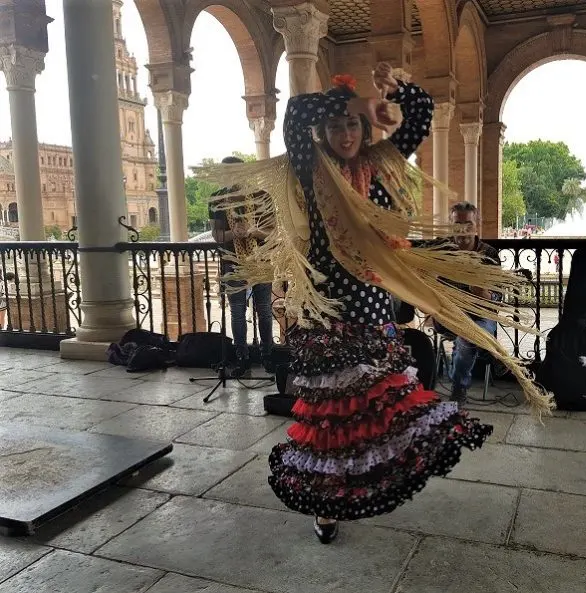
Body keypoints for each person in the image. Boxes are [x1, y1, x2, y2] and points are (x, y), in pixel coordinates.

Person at [200, 63, 551, 545]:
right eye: (336, 125)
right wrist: (352, 100)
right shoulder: (310, 166)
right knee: (329, 411)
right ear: (323, 131)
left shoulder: (382, 162)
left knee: (375, 406)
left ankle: (365, 482)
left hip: (368, 300)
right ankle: (326, 505)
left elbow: (420, 113)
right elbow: (296, 113)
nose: (344, 133)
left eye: (352, 124)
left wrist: (397, 88)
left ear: (365, 129)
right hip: (325, 302)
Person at [210, 156, 273, 378]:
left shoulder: (262, 196)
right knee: (237, 312)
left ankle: (268, 357)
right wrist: (232, 234)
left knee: (264, 310)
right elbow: (217, 235)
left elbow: (273, 231)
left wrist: (253, 231)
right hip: (233, 263)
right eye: (227, 173)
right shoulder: (217, 199)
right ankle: (242, 359)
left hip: (261, 261)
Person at [446, 201, 499, 404]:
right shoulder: (444, 252)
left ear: (477, 226)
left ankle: (458, 387)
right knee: (465, 336)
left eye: (468, 225)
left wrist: (484, 293)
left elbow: (495, 300)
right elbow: (434, 288)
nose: (462, 231)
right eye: (457, 225)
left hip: (481, 317)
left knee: (467, 338)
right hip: (449, 316)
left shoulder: (489, 255)